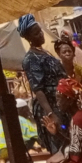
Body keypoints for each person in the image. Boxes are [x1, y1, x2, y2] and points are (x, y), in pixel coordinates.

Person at [17, 15, 68, 151]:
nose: (41, 34)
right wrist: (51, 114)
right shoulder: (30, 59)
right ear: (29, 38)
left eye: (40, 31)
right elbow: (38, 89)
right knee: (60, 143)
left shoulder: (44, 52)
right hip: (50, 107)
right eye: (36, 33)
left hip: (60, 103)